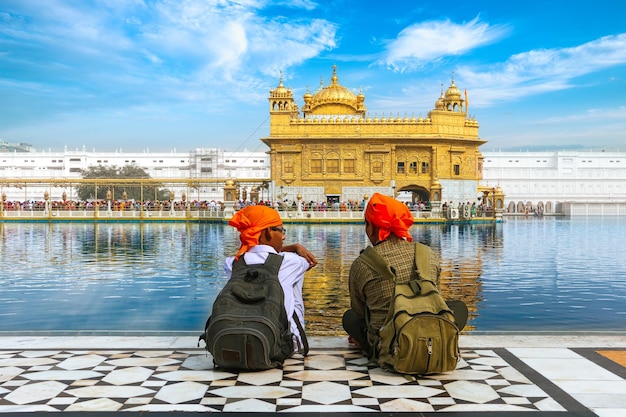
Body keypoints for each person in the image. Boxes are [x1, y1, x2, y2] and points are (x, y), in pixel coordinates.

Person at [342, 192, 467, 356]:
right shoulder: (428, 254)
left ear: (372, 227)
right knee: (460, 308)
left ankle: (370, 343)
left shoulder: (362, 264)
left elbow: (359, 310)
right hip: (429, 331)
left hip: (387, 346)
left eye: (367, 224)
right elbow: (436, 299)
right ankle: (438, 337)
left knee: (350, 317)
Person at [226, 205, 317, 351]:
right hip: (279, 346)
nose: (283, 237)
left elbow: (257, 254)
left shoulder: (231, 263)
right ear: (269, 231)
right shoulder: (290, 261)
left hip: (236, 344)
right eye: (281, 231)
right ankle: (296, 337)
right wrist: (294, 247)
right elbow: (310, 261)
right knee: (294, 281)